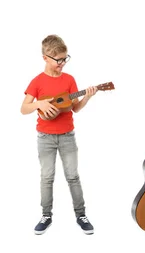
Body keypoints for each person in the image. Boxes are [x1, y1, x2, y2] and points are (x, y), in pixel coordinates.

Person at [21, 34, 96, 235]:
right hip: (44, 138)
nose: (62, 63)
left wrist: (87, 97)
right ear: (46, 57)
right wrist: (40, 103)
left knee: (73, 176)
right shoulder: (37, 81)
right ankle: (46, 215)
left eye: (65, 59)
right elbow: (24, 108)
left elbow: (76, 108)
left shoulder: (69, 80)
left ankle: (81, 214)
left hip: (67, 136)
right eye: (59, 60)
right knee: (47, 177)